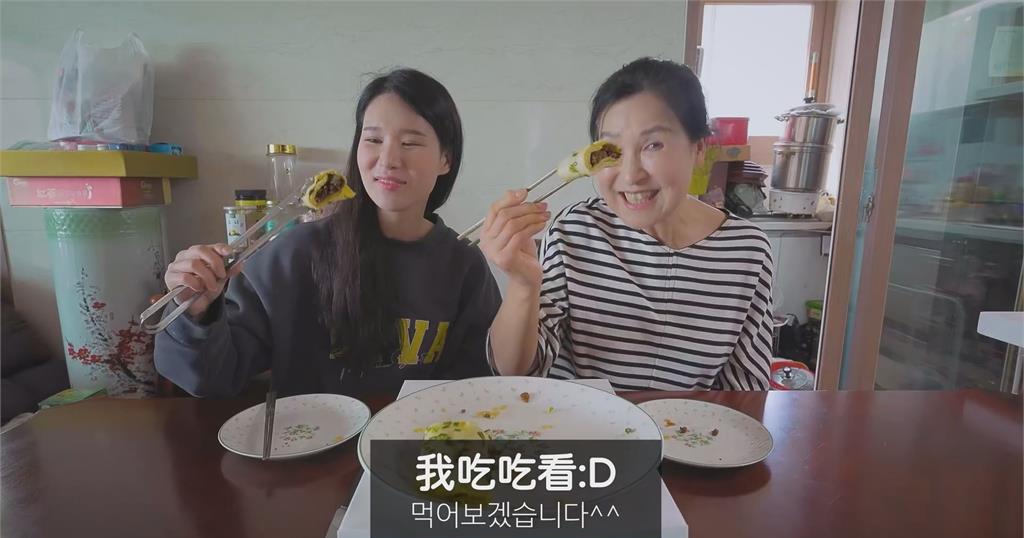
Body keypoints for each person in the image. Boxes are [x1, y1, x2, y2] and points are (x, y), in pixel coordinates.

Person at [155, 68, 501, 397]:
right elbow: (211, 377)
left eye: (410, 143)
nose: (388, 159)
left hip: (418, 437)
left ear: (445, 159)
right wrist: (196, 312)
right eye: (373, 139)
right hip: (306, 437)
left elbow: (481, 385)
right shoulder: (295, 253)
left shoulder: (464, 266)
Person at [481, 57, 774, 391]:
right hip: (582, 421)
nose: (631, 175)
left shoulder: (746, 250)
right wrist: (523, 284)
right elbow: (515, 371)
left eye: (653, 145)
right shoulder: (575, 231)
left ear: (699, 149)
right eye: (611, 149)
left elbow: (745, 391)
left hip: (686, 424)